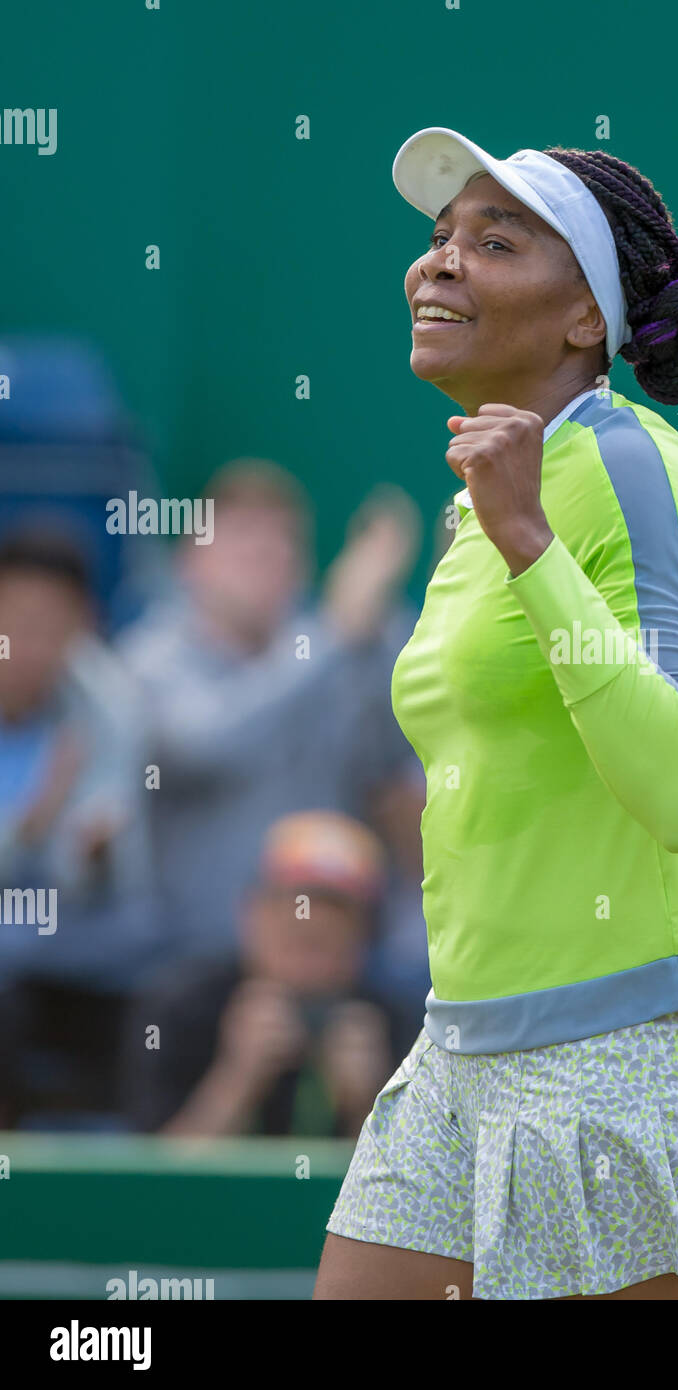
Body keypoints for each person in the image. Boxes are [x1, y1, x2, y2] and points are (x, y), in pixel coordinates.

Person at [315, 128, 678, 1302]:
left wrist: (528, 539)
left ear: (583, 321)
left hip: (640, 1056)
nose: (439, 265)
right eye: (437, 240)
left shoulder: (627, 470)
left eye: (493, 242)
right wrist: (508, 520)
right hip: (463, 1045)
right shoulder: (489, 488)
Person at [117, 459, 425, 969]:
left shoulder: (327, 648)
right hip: (195, 964)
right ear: (189, 560)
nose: (266, 556)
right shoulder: (147, 659)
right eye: (243, 539)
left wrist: (378, 635)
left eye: (284, 543)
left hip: (338, 964)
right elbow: (203, 744)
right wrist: (336, 632)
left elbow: (397, 759)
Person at [122, 810, 412, 1138]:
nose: (314, 919)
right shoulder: (181, 1008)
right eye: (295, 937)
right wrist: (236, 1079)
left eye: (327, 939)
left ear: (364, 935)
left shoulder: (395, 1025)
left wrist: (366, 1104)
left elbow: (413, 1184)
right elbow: (154, 1180)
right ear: (251, 915)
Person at [0, 529, 156, 1126]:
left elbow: (104, 863)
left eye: (54, 625)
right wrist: (37, 818)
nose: (35, 644)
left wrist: (88, 851)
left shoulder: (107, 705)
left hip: (77, 939)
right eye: (20, 621)